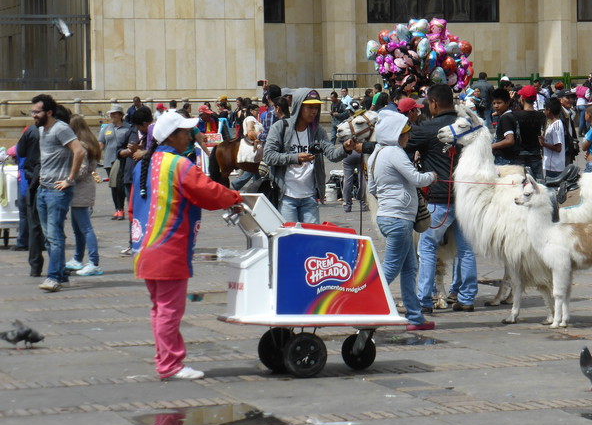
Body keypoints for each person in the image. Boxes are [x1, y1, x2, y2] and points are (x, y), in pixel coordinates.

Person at [131, 112, 242, 380]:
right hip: (168, 248)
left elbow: (133, 205)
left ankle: (164, 359)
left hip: (145, 248)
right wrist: (236, 197)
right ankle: (170, 365)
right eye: (186, 132)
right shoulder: (178, 165)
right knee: (170, 309)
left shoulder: (145, 164)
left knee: (159, 308)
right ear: (172, 136)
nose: (190, 136)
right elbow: (209, 192)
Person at [406, 84, 478, 313]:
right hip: (466, 199)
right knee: (466, 249)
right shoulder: (467, 127)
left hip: (438, 199)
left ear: (434, 103)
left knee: (426, 248)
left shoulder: (425, 128)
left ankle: (425, 299)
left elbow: (402, 147)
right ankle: (466, 298)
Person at [368, 112, 437, 331]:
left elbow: (372, 189)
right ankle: (364, 309)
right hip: (399, 219)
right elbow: (417, 179)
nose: (407, 138)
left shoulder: (376, 154)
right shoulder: (395, 153)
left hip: (388, 217)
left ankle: (415, 318)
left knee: (409, 268)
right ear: (395, 135)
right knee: (390, 269)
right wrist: (432, 176)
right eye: (404, 134)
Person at [263, 88, 356, 223]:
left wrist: (345, 148)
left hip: (310, 198)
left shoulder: (317, 131)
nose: (314, 111)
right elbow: (269, 156)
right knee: (291, 237)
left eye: (317, 108)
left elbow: (332, 155)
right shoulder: (280, 128)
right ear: (298, 106)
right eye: (310, 107)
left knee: (311, 239)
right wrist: (295, 158)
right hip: (287, 196)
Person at [32, 94, 86, 292]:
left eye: (37, 112)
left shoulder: (60, 128)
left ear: (49, 112)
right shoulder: (41, 130)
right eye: (32, 112)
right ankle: (61, 273)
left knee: (54, 236)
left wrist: (69, 179)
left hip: (58, 192)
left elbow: (79, 151)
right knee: (49, 236)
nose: (33, 115)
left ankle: (53, 277)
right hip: (43, 189)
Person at [65, 115, 103, 276]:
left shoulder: (81, 145)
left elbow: (82, 169)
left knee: (85, 227)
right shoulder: (90, 143)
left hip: (81, 190)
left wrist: (68, 177)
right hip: (83, 189)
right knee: (78, 228)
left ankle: (94, 262)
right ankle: (77, 259)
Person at [119, 107, 153, 256]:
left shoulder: (153, 132)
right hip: (131, 175)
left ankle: (145, 242)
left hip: (146, 177)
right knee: (132, 211)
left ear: (145, 124)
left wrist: (142, 151)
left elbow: (154, 151)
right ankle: (133, 242)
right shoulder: (131, 132)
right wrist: (128, 151)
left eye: (139, 126)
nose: (137, 128)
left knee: (145, 210)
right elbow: (118, 151)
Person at [16, 123, 45, 277]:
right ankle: (56, 268)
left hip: (32, 180)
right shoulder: (63, 129)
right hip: (55, 182)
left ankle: (35, 266)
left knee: (33, 223)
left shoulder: (31, 131)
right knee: (53, 226)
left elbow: (19, 151)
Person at [97, 103, 132, 219]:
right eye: (111, 114)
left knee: (121, 186)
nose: (112, 116)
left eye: (114, 114)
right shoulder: (106, 128)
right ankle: (117, 208)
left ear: (120, 115)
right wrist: (95, 156)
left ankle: (121, 208)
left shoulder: (128, 128)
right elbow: (101, 143)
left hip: (122, 161)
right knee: (113, 186)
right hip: (109, 161)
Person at [513, 86, 546, 180]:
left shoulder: (516, 116)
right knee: (538, 185)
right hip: (536, 155)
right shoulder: (541, 115)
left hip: (520, 155)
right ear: (535, 99)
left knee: (522, 185)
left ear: (522, 98)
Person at [490, 88, 517, 166]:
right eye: (494, 103)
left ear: (508, 103)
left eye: (499, 103)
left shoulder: (505, 117)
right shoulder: (510, 115)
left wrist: (491, 146)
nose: (496, 106)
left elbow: (509, 140)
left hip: (504, 159)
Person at [541, 97, 565, 178]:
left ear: (549, 110)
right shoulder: (552, 123)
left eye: (545, 109)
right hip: (551, 165)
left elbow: (558, 148)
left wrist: (543, 144)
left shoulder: (556, 125)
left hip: (555, 166)